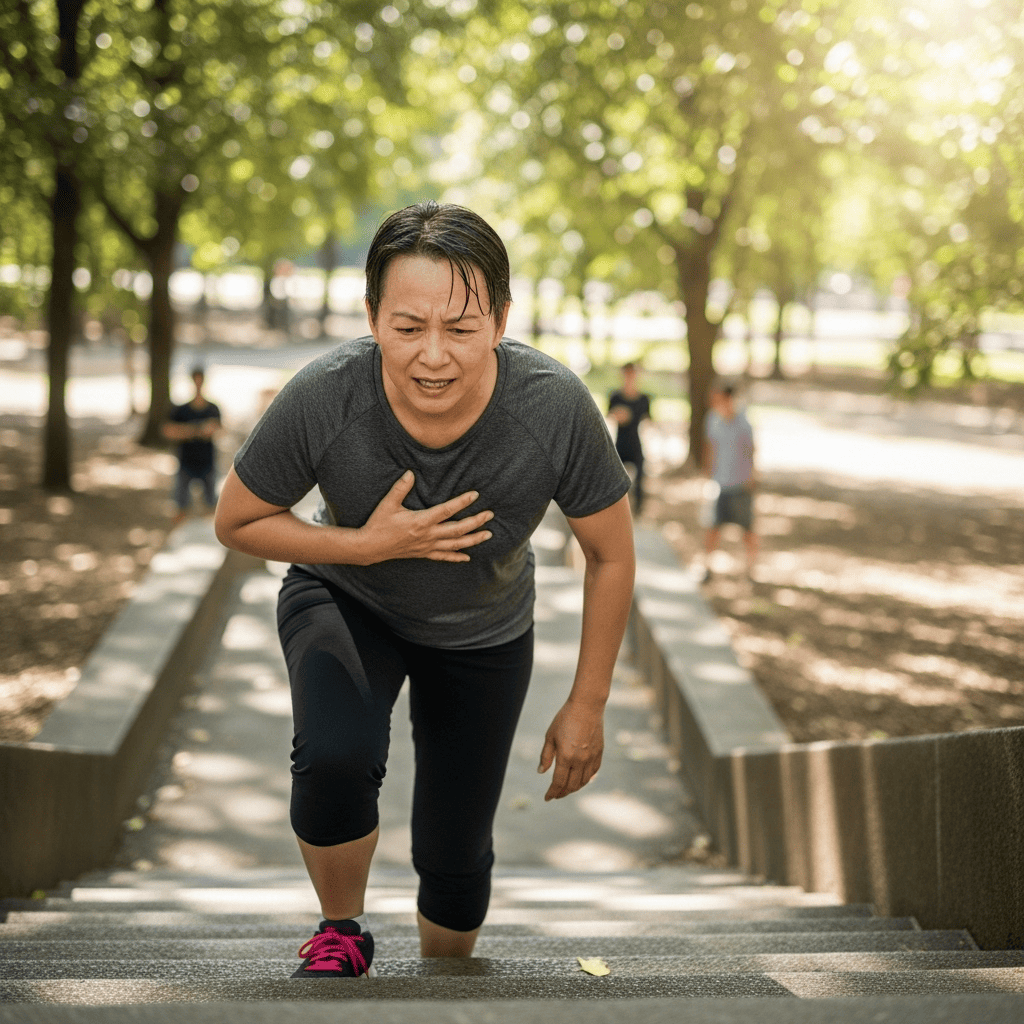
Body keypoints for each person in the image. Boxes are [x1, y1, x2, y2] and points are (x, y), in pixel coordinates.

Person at [214, 201, 635, 979]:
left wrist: (589, 702)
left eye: (461, 329)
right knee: (336, 756)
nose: (433, 356)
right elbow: (237, 521)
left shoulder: (552, 407)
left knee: (454, 850)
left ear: (502, 320)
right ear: (372, 317)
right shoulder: (327, 395)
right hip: (344, 597)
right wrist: (365, 546)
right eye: (408, 328)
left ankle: (446, 984)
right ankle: (340, 932)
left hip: (484, 631)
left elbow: (610, 553)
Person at [702, 381, 758, 581]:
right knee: (712, 527)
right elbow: (711, 447)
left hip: (741, 484)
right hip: (719, 483)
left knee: (747, 529)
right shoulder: (712, 419)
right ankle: (708, 567)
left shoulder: (743, 422)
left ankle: (751, 569)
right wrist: (708, 473)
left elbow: (751, 450)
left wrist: (752, 476)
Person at [163, 366, 221, 526]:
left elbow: (218, 430)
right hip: (185, 462)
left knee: (211, 506)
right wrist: (197, 430)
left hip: (207, 462)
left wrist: (189, 431)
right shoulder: (181, 410)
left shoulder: (212, 408)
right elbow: (168, 431)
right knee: (181, 506)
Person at [608, 362, 651, 514]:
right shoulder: (616, 396)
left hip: (635, 442)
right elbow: (609, 416)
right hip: (620, 442)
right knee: (615, 478)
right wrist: (618, 415)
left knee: (640, 477)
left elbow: (648, 420)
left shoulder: (643, 398)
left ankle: (638, 509)